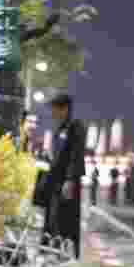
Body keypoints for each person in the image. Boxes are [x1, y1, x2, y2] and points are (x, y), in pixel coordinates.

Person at [44, 94, 86, 258]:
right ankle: (56, 249)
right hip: (56, 181)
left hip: (68, 181)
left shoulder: (75, 126)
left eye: (55, 109)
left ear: (64, 109)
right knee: (55, 216)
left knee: (67, 218)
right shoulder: (59, 129)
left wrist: (70, 180)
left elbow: (76, 155)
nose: (52, 113)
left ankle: (66, 252)